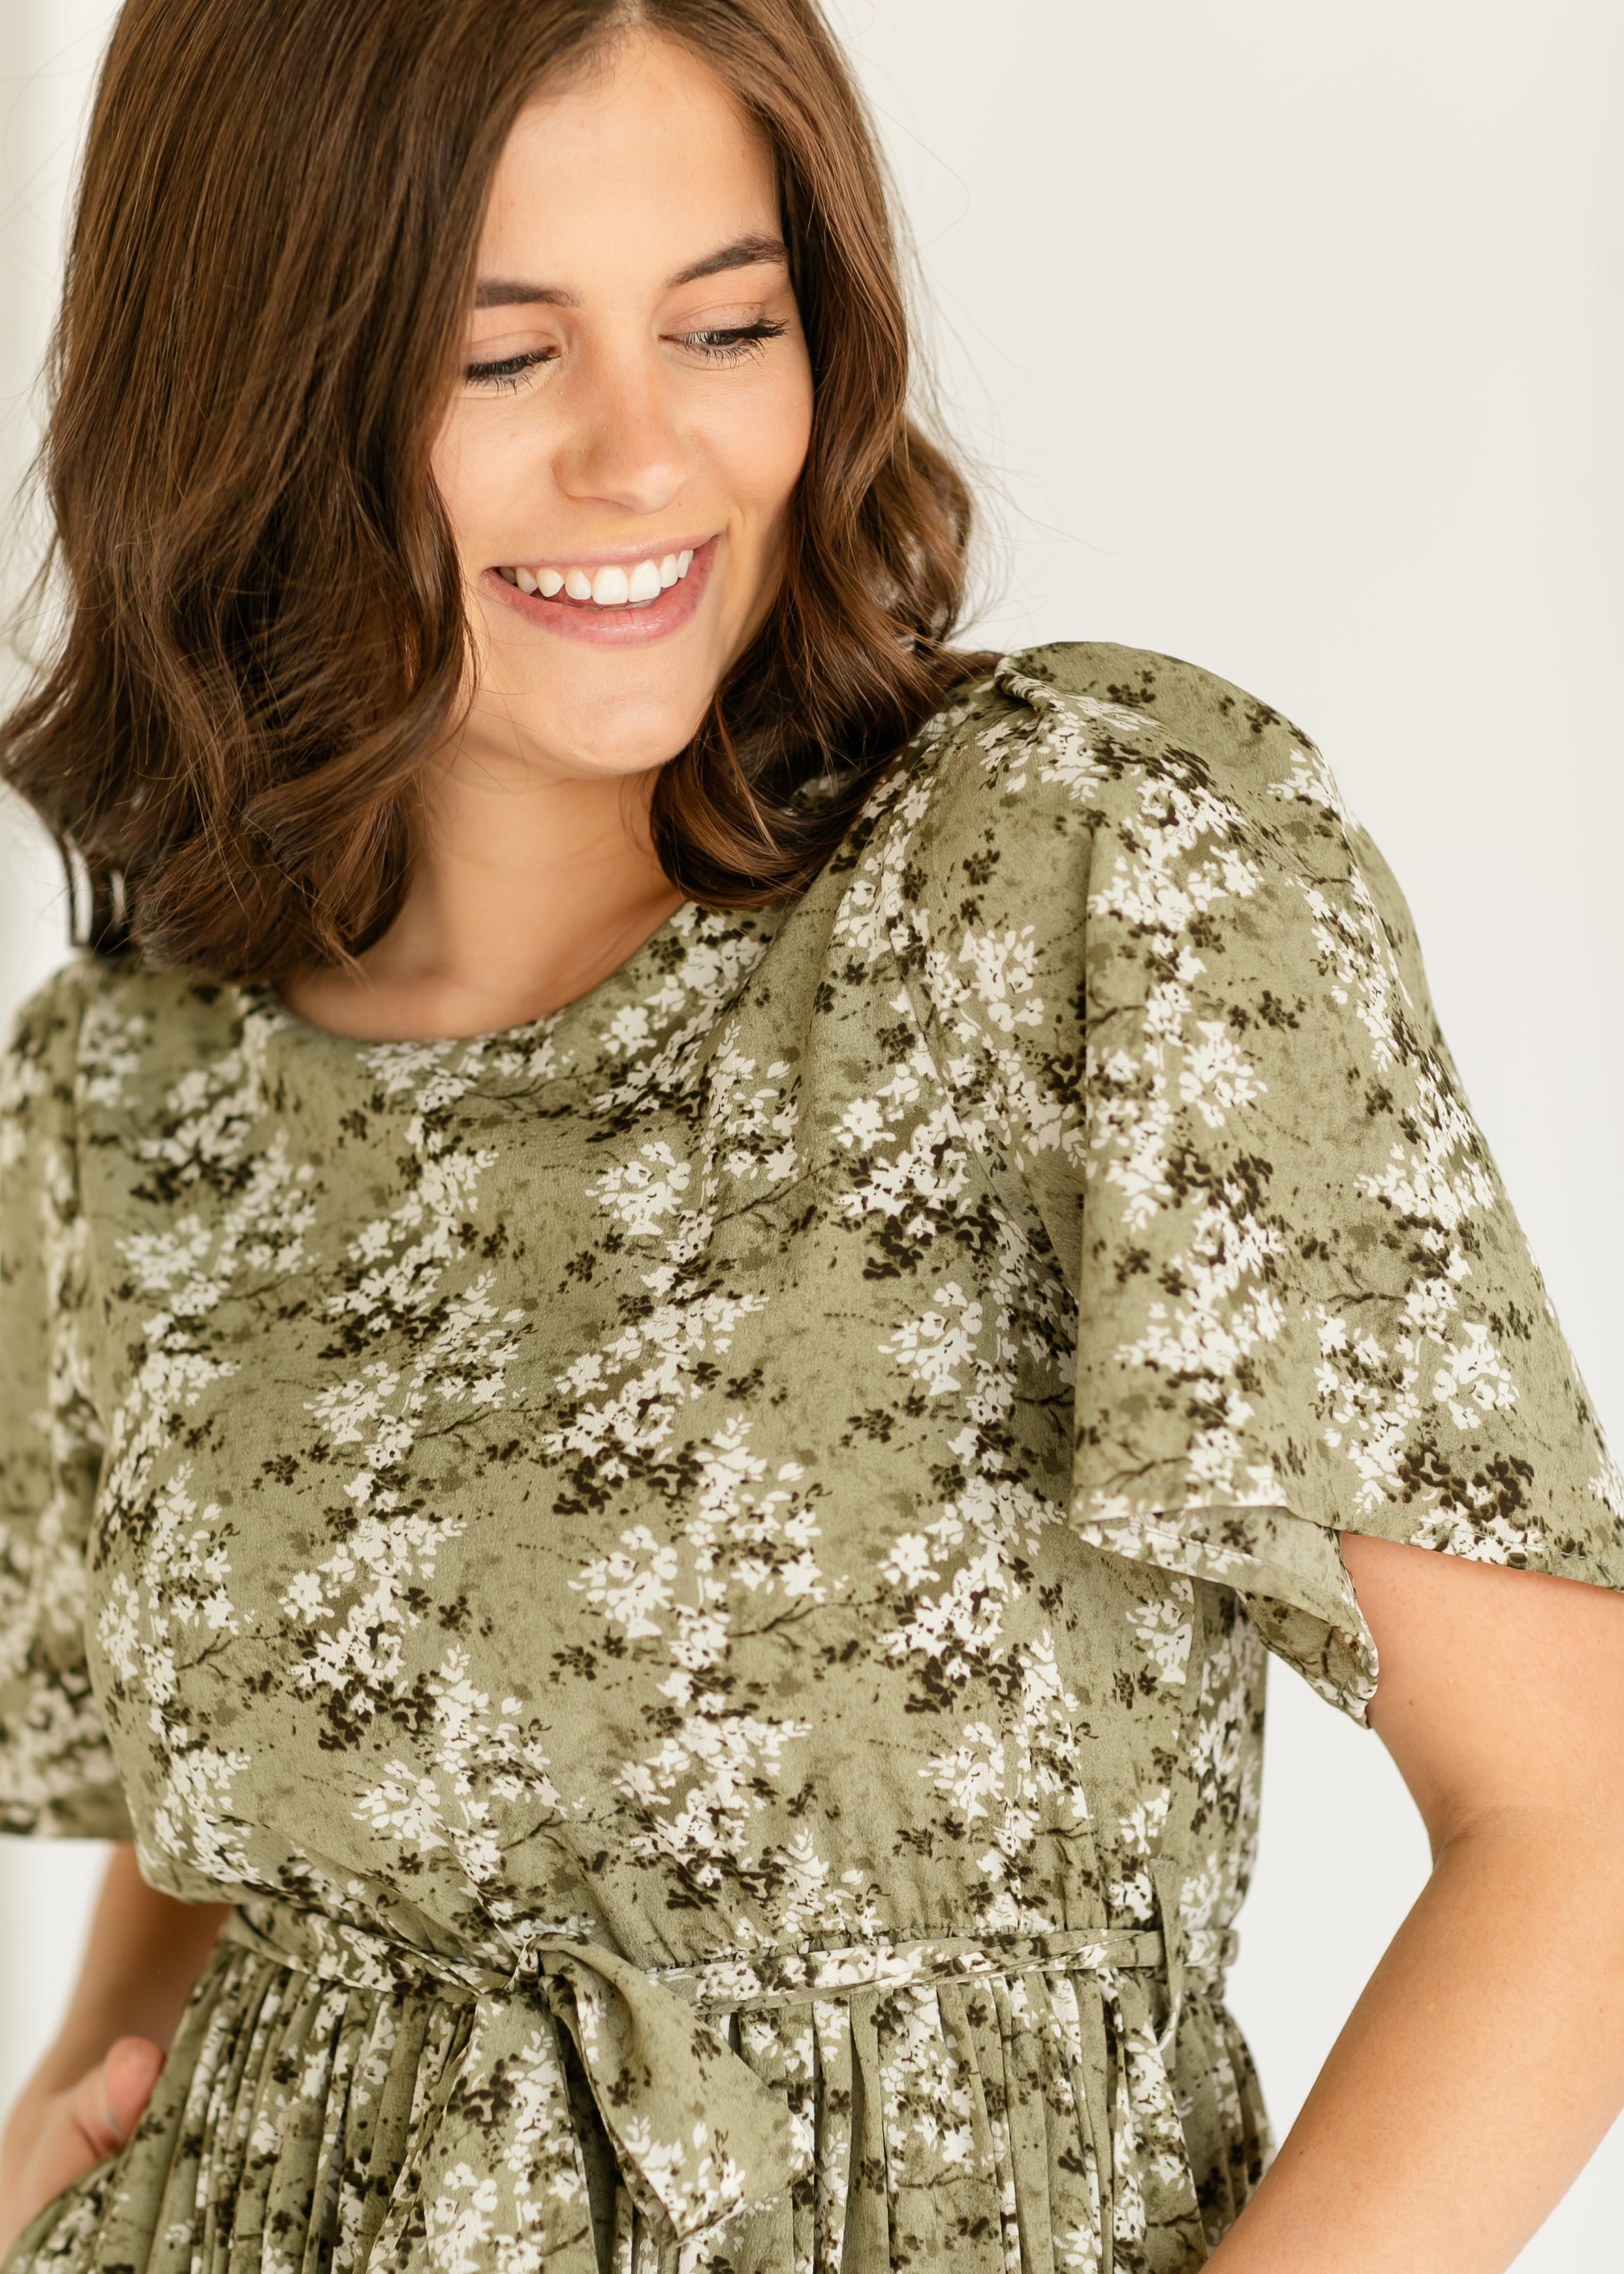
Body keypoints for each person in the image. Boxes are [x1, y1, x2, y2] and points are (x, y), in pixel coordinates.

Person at [1, 2, 1622, 2271]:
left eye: (727, 325)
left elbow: (1577, 1831)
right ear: (252, 397)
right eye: (500, 358)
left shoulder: (1080, 869)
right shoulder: (136, 1085)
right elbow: (240, 1850)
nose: (644, 455)